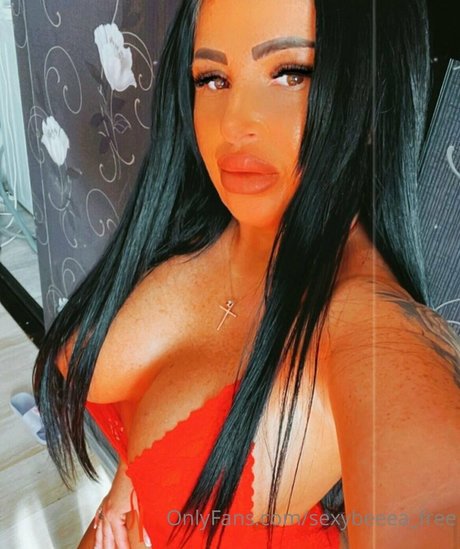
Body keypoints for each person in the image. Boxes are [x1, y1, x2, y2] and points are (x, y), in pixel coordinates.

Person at [33, 0, 460, 547]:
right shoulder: (192, 218)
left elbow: (434, 502)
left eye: (291, 73)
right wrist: (132, 482)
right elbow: (163, 409)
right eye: (213, 78)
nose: (233, 124)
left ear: (374, 96)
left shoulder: (366, 320)